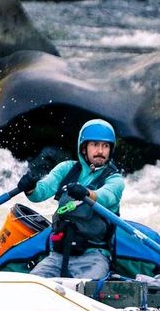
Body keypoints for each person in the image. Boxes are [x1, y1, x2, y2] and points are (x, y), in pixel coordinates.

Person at [15, 118, 124, 280]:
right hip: (58, 255)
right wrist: (31, 187)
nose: (100, 151)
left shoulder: (115, 179)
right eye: (95, 145)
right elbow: (41, 193)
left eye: (105, 146)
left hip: (94, 257)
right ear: (84, 148)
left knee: (85, 289)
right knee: (32, 285)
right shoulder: (66, 169)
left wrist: (87, 193)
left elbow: (106, 197)